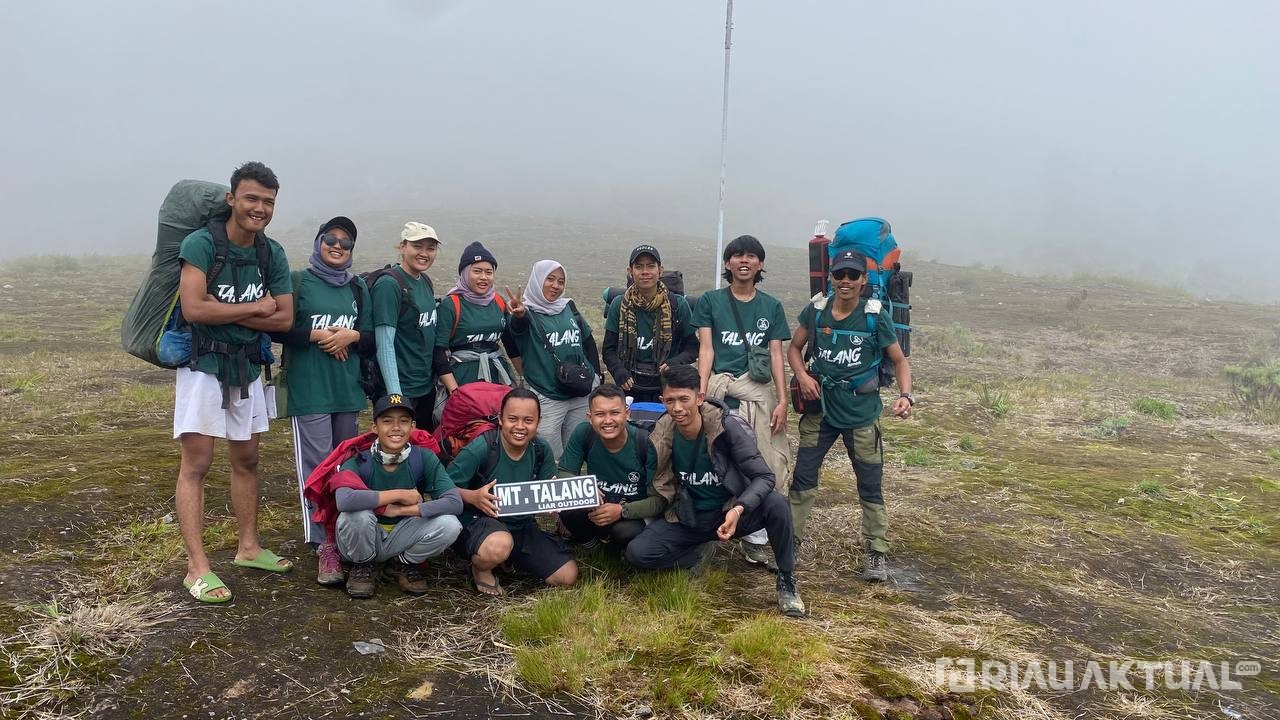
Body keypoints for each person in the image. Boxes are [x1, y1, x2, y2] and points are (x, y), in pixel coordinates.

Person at [173, 161, 294, 603]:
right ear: (231, 199)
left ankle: (248, 547)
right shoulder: (201, 243)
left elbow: (284, 317)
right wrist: (254, 309)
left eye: (267, 202)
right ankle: (196, 567)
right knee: (197, 463)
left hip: (246, 366)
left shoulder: (271, 253)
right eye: (251, 199)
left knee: (247, 458)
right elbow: (194, 309)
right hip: (202, 365)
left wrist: (258, 312)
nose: (258, 208)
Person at [625, 365, 805, 618]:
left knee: (776, 504)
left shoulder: (726, 428)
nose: (677, 408)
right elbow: (656, 483)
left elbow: (764, 477)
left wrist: (739, 508)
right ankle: (696, 555)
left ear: (699, 398)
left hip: (729, 512)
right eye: (670, 400)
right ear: (661, 401)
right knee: (638, 553)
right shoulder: (661, 433)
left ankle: (786, 579)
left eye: (684, 399)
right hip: (688, 517)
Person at [788, 249, 914, 582]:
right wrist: (802, 376)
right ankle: (789, 544)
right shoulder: (816, 311)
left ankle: (876, 552)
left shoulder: (874, 317)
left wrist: (905, 396)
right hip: (821, 412)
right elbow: (793, 348)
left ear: (863, 280)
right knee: (802, 481)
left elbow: (899, 360)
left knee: (870, 486)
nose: (845, 281)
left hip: (862, 414)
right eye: (839, 274)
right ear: (831, 277)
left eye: (852, 275)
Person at [272, 216, 371, 585]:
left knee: (346, 466)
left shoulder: (358, 287)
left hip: (347, 390)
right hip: (310, 390)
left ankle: (346, 530)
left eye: (346, 243)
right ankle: (322, 541)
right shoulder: (298, 282)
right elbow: (279, 326)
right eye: (331, 238)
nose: (338, 246)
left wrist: (351, 335)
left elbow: (373, 335)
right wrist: (317, 334)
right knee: (317, 467)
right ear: (318, 241)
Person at [691, 234, 791, 568]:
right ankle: (713, 530)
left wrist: (783, 400)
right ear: (727, 263)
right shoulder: (709, 301)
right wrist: (701, 392)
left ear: (760, 264)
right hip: (721, 391)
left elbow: (777, 354)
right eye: (736, 256)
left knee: (764, 460)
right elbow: (706, 349)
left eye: (751, 256)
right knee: (720, 459)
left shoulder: (771, 306)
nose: (743, 261)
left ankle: (756, 536)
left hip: (759, 395)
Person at [449, 388, 578, 596]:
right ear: (500, 419)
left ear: (539, 422)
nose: (520, 427)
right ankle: (481, 568)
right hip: (480, 522)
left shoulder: (540, 449)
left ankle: (509, 559)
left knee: (566, 576)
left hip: (522, 527)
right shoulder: (482, 447)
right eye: (512, 419)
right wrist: (473, 496)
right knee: (499, 545)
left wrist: (554, 502)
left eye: (528, 420)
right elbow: (442, 490)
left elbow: (547, 489)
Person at [333, 395, 463, 598]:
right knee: (355, 515)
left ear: (413, 427)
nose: (396, 427)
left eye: (403, 421)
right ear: (374, 427)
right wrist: (399, 495)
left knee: (450, 524)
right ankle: (362, 566)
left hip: (404, 534)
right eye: (387, 421)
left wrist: (402, 510)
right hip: (367, 534)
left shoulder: (423, 457)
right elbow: (344, 499)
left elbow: (454, 502)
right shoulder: (360, 458)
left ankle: (402, 563)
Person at [507, 259, 602, 458]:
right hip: (547, 395)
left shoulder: (568, 307)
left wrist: (597, 377)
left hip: (580, 393)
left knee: (577, 450)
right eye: (549, 279)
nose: (556, 285)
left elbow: (588, 341)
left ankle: (576, 484)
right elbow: (518, 327)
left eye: (560, 281)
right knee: (550, 454)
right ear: (537, 280)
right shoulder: (527, 312)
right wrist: (519, 314)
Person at [556, 383, 660, 550]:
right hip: (598, 504)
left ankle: (615, 547)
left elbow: (659, 500)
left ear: (627, 414)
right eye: (600, 414)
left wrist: (622, 510)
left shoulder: (645, 443)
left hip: (632, 508)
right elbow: (564, 472)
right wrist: (584, 488)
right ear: (589, 417)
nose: (608, 420)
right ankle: (590, 545)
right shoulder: (584, 432)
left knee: (623, 532)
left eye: (615, 413)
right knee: (568, 508)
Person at [372, 221, 448, 431]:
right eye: (417, 246)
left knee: (424, 452)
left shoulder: (424, 281)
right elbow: (384, 344)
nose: (424, 253)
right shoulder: (389, 285)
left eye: (431, 248)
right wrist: (396, 397)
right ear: (403, 246)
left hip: (425, 388)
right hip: (401, 392)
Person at [602, 245, 698, 404]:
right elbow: (608, 349)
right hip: (630, 386)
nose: (645, 271)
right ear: (630, 271)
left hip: (668, 386)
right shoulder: (619, 305)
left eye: (651, 266)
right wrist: (618, 370)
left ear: (660, 270)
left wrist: (675, 363)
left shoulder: (678, 305)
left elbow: (692, 347)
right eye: (638, 267)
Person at [436, 241, 520, 392]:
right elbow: (438, 352)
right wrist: (454, 391)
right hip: (462, 380)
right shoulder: (451, 304)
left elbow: (510, 345)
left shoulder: (499, 302)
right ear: (465, 272)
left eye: (489, 272)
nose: (483, 277)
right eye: (477, 271)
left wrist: (523, 378)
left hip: (498, 378)